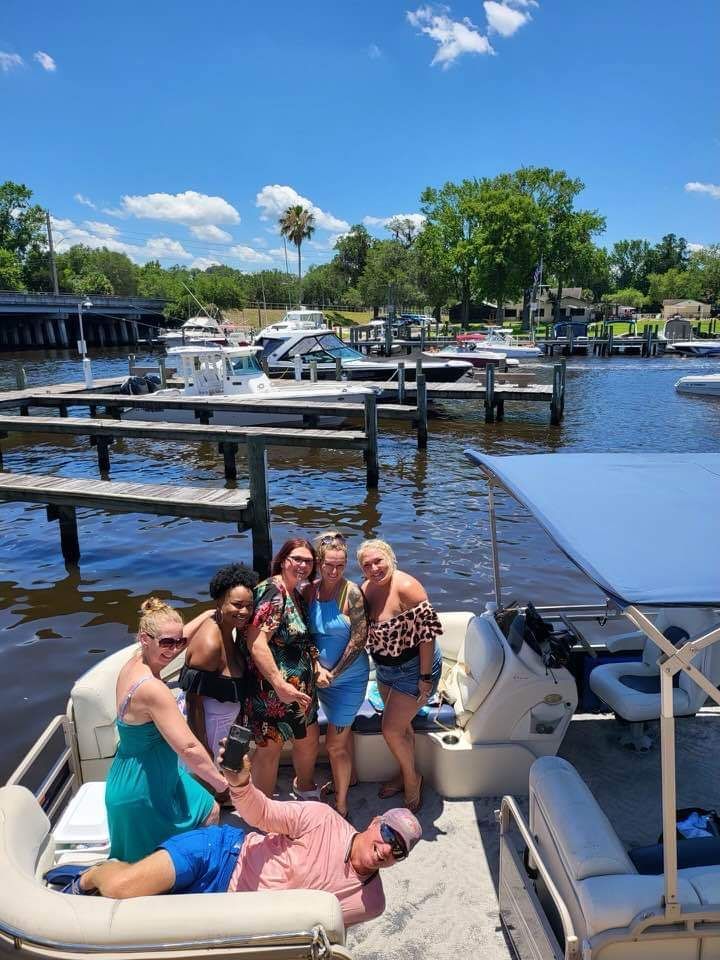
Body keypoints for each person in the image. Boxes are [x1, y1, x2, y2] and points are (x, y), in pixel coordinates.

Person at [71, 749, 422, 930]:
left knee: (147, 927)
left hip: (237, 913)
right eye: (389, 833)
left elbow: (320, 933)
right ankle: (99, 872)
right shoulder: (321, 819)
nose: (389, 848)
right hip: (222, 854)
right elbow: (262, 814)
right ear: (376, 821)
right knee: (122, 890)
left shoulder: (370, 903)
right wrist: (240, 783)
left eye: (399, 851)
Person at [105, 598, 228, 862]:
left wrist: (207, 613)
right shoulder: (152, 689)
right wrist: (224, 784)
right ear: (144, 638)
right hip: (141, 790)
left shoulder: (135, 660)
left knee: (210, 811)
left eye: (178, 643)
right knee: (147, 870)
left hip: (147, 772)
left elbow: (178, 635)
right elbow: (189, 748)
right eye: (166, 643)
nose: (173, 650)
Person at [357, 539, 443, 814]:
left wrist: (425, 678)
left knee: (390, 729)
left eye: (378, 561)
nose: (374, 568)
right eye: (366, 565)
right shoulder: (365, 590)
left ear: (390, 557)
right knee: (402, 728)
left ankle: (411, 780)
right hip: (384, 670)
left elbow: (428, 637)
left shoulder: (407, 588)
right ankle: (405, 772)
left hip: (415, 669)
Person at [243, 539, 320, 798]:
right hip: (273, 693)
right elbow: (256, 642)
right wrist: (279, 683)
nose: (302, 565)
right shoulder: (273, 592)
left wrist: (316, 664)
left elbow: (302, 637)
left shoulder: (294, 592)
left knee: (309, 739)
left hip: (299, 692)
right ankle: (261, 810)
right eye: (296, 559)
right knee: (269, 750)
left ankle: (305, 787)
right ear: (283, 559)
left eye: (308, 561)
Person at [303, 531, 369, 819]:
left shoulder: (352, 592)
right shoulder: (309, 591)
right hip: (320, 678)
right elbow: (305, 636)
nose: (333, 571)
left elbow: (359, 638)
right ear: (319, 562)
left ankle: (342, 805)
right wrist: (318, 667)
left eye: (340, 566)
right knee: (339, 738)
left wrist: (333, 671)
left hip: (348, 679)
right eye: (328, 565)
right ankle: (349, 777)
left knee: (333, 744)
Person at [179, 564, 258, 777]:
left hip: (223, 733)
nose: (244, 612)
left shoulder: (231, 631)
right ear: (219, 602)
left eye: (249, 606)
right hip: (207, 733)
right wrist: (202, 754)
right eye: (237, 604)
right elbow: (193, 703)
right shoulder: (210, 645)